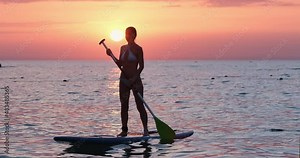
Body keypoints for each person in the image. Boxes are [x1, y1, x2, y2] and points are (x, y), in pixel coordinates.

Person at [106, 27, 149, 137]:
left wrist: (134, 78)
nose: (127, 36)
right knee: (124, 106)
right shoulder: (122, 48)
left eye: (129, 34)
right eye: (125, 34)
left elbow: (141, 66)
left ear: (134, 35)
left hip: (135, 81)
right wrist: (110, 54)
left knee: (140, 106)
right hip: (124, 81)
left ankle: (146, 130)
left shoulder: (138, 49)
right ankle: (124, 130)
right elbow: (119, 63)